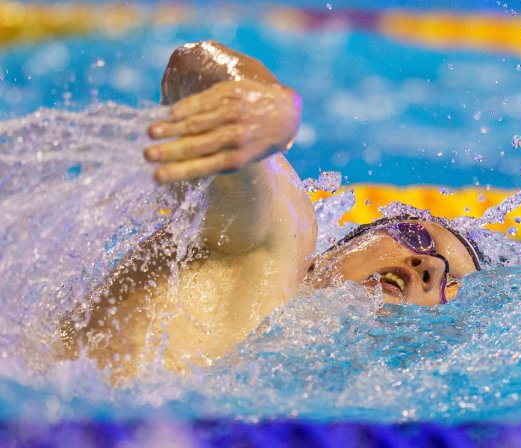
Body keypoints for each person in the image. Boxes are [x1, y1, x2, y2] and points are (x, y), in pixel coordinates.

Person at [60, 41, 482, 380]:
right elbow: (189, 67)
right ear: (333, 251)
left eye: (452, 285)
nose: (431, 266)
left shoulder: (299, 385)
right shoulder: (276, 242)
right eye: (416, 236)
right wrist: (266, 104)